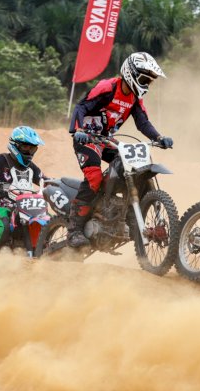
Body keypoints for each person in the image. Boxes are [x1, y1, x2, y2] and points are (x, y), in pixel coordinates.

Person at [67, 52, 173, 248]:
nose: (147, 84)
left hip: (106, 140)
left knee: (133, 167)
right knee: (94, 177)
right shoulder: (108, 87)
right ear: (130, 73)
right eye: (144, 79)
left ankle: (128, 217)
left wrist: (158, 138)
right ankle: (73, 230)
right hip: (88, 138)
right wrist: (78, 130)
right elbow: (81, 107)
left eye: (150, 81)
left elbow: (143, 122)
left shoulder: (134, 98)